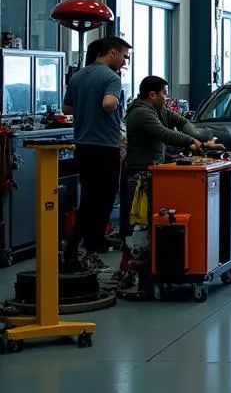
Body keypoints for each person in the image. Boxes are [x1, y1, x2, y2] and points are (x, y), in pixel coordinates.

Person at [119, 76, 222, 293]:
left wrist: (203, 139)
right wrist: (190, 142)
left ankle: (154, 266)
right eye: (164, 93)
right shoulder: (141, 113)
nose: (167, 97)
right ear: (152, 94)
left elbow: (182, 123)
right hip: (139, 175)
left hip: (154, 172)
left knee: (155, 221)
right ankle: (129, 268)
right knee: (138, 223)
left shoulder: (160, 109)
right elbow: (164, 133)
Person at [61, 35, 131, 273]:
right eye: (123, 56)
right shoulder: (111, 78)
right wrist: (108, 101)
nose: (124, 61)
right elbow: (109, 104)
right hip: (105, 147)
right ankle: (87, 250)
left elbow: (66, 108)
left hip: (82, 146)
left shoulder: (79, 76)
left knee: (89, 199)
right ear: (112, 52)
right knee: (103, 202)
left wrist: (86, 105)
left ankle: (77, 249)